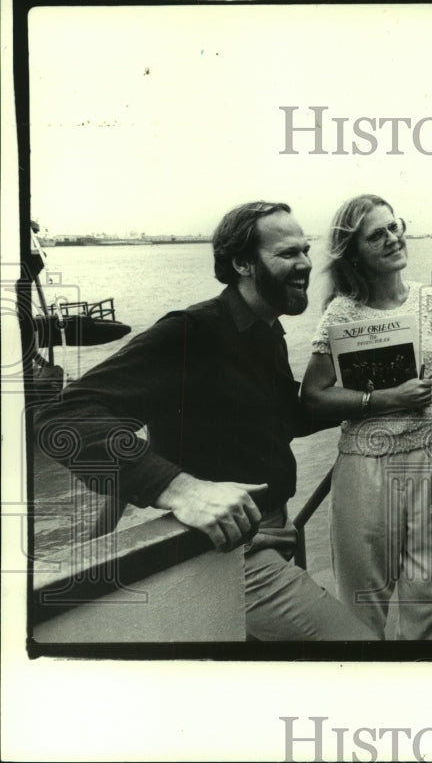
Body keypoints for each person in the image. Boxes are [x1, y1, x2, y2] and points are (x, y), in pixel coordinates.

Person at [33, 201, 376, 640]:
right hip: (221, 551)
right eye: (288, 253)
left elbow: (279, 415)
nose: (306, 263)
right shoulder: (191, 333)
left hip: (268, 534)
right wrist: (181, 490)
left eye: (306, 250)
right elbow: (61, 420)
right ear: (242, 263)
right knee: (361, 648)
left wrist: (374, 400)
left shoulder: (263, 328)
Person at [302, 194, 432, 640]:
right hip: (366, 464)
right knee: (362, 601)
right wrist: (389, 398)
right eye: (378, 235)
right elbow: (313, 397)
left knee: (430, 594)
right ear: (355, 253)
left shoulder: (428, 300)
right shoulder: (342, 311)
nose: (393, 238)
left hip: (430, 457)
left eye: (395, 226)